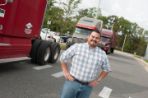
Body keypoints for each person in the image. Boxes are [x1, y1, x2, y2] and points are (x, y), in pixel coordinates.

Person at [60, 30, 111, 98]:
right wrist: (66, 72)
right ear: (88, 37)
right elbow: (63, 58)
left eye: (97, 38)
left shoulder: (102, 54)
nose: (94, 39)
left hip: (87, 87)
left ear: (99, 40)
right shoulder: (77, 47)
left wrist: (98, 80)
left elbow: (107, 69)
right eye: (92, 36)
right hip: (72, 83)